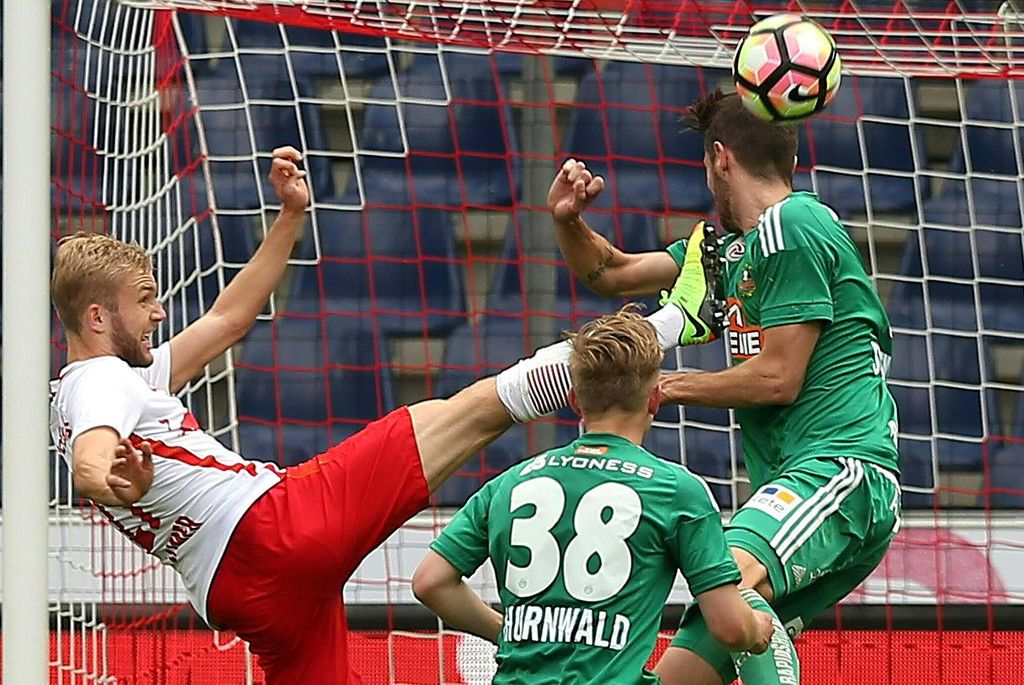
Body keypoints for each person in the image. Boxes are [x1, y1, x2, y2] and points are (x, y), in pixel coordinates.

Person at [49, 146, 587, 684]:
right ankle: (610, 353)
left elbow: (229, 320)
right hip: (270, 530)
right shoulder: (102, 381)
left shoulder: (98, 386)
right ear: (97, 317)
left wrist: (290, 216)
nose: (159, 312)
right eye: (144, 300)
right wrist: (107, 480)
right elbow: (91, 460)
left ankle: (522, 644)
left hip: (236, 589)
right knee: (458, 416)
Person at [545, 91, 901, 685]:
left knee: (726, 584)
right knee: (689, 663)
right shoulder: (732, 251)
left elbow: (778, 378)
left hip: (839, 471)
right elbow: (610, 272)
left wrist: (663, 386)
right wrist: (567, 220)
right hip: (798, 483)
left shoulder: (792, 224)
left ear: (720, 157)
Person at [413, 305, 800, 685]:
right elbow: (731, 629)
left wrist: (506, 633)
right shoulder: (678, 491)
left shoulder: (509, 484)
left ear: (575, 400)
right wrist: (757, 628)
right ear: (654, 399)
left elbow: (430, 582)